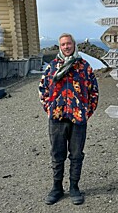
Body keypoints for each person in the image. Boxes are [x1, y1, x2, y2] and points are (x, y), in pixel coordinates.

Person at [39, 33, 99, 205]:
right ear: (60, 46)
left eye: (69, 44)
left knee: (77, 155)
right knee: (57, 154)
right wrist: (50, 109)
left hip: (78, 119)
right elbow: (43, 90)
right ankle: (57, 188)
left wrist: (86, 112)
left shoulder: (84, 67)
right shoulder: (51, 67)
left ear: (74, 45)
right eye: (63, 44)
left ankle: (74, 187)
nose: (66, 47)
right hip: (57, 119)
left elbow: (93, 91)